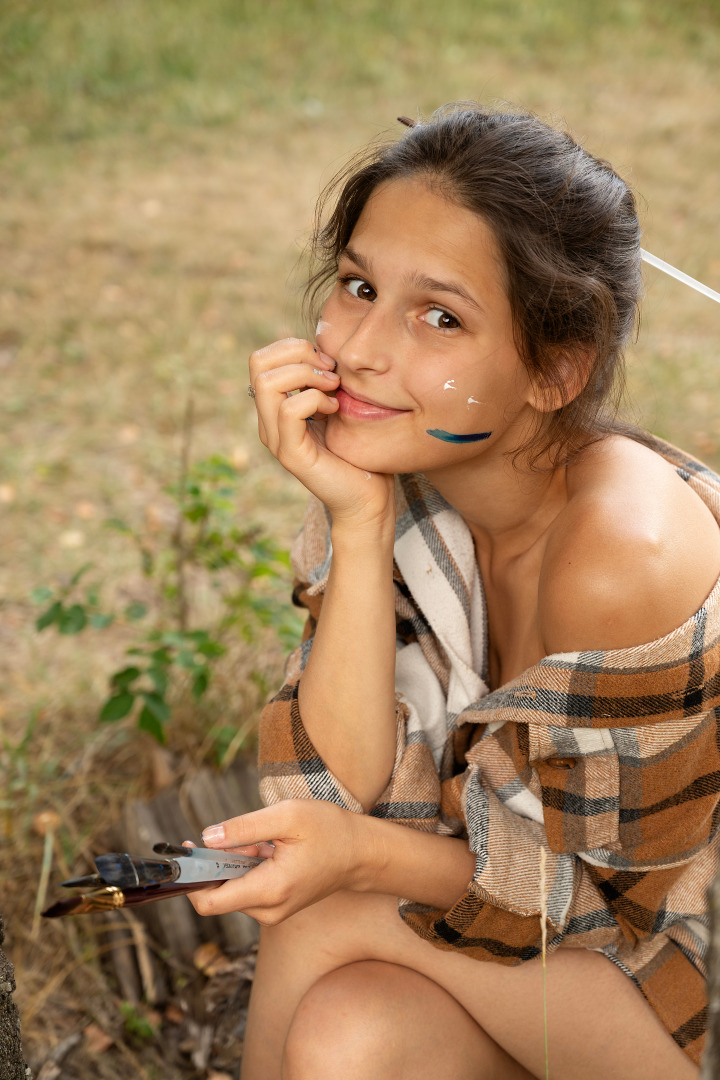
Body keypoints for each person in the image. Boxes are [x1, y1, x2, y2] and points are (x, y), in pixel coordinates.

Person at [189, 104, 720, 1079]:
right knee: (347, 1033)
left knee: (331, 914)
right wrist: (358, 520)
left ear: (557, 368)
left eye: (440, 316)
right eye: (358, 285)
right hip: (531, 961)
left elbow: (610, 907)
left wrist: (361, 859)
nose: (359, 350)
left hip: (668, 993)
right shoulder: (410, 487)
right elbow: (340, 794)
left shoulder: (620, 552)